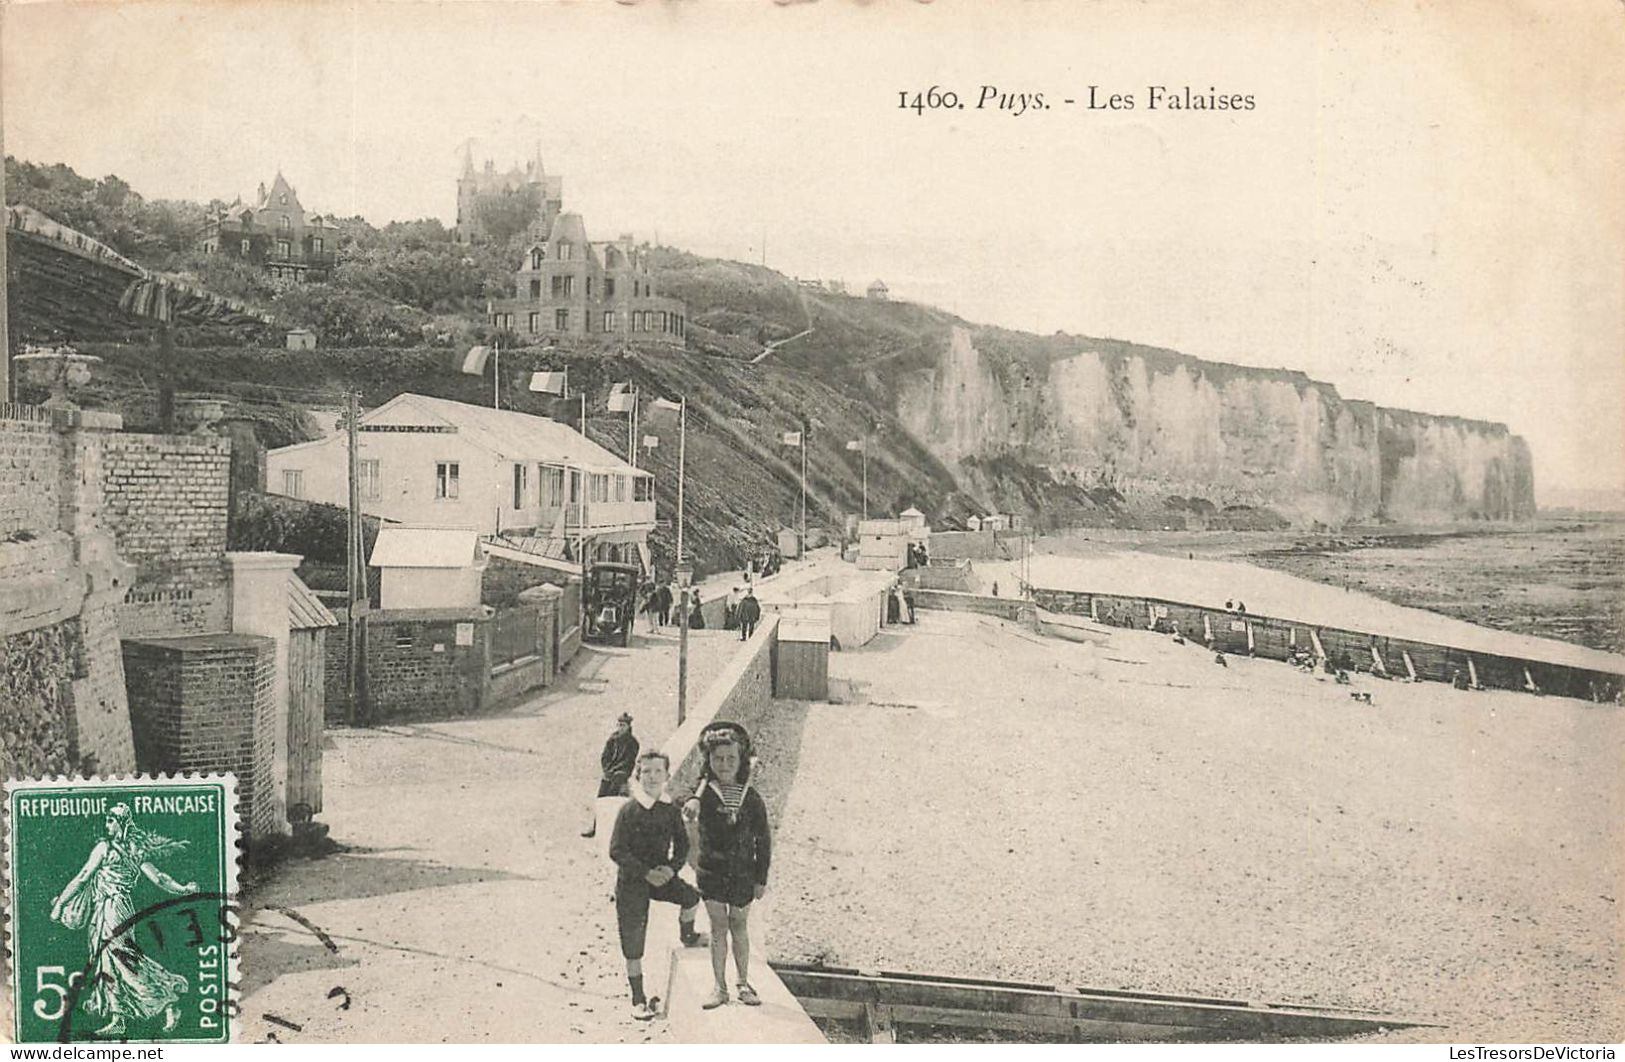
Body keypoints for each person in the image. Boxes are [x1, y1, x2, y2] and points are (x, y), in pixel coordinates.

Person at [51, 804, 197, 1036]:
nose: (107, 825)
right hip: (113, 908)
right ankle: (119, 1018)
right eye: (106, 820)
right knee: (111, 961)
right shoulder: (134, 849)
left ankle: (168, 1001)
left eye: (111, 821)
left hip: (113, 908)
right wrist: (182, 888)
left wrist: (60, 904)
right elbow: (159, 878)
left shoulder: (105, 848)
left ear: (123, 823)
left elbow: (82, 877)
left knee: (122, 960)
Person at [609, 751, 707, 1021]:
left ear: (666, 776)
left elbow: (683, 845)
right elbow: (616, 851)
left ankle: (688, 935)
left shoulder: (669, 810)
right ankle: (638, 998)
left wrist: (671, 868)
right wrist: (645, 873)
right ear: (638, 776)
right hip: (632, 881)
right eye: (647, 772)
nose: (652, 777)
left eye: (658, 772)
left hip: (661, 877)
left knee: (690, 897)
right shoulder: (629, 810)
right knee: (633, 939)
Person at [683, 723, 771, 1010]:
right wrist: (691, 805)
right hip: (712, 874)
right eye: (718, 759)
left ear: (741, 761)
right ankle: (719, 987)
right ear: (708, 761)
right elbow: (685, 815)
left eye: (731, 759)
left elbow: (763, 840)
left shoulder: (752, 798)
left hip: (744, 875)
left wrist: (761, 878)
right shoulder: (704, 795)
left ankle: (743, 982)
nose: (724, 765)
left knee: (740, 926)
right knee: (718, 927)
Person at [583, 713, 639, 839]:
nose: (620, 728)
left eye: (623, 725)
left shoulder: (633, 743)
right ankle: (595, 826)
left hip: (621, 774)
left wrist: (618, 772)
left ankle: (612, 831)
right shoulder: (612, 739)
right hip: (609, 773)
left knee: (614, 801)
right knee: (601, 798)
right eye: (619, 725)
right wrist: (607, 770)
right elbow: (605, 757)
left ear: (628, 727)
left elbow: (629, 761)